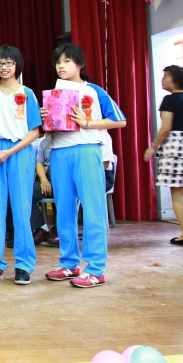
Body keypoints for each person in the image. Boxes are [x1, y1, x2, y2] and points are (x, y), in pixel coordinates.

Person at [42, 43, 126, 288]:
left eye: (67, 61)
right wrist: (46, 119)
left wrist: (87, 123)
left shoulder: (94, 91)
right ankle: (69, 263)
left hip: (87, 150)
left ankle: (96, 269)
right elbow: (48, 130)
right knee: (64, 211)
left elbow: (119, 121)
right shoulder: (53, 93)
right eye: (58, 62)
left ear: (79, 64)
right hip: (59, 152)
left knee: (92, 210)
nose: (61, 66)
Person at [0, 45, 41, 286]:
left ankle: (24, 265)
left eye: (9, 63)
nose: (4, 67)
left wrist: (11, 151)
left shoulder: (27, 94)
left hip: (20, 151)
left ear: (17, 65)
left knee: (21, 209)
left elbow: (35, 131)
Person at [144, 65, 183, 246]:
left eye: (166, 76)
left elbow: (166, 127)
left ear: (176, 80)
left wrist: (153, 146)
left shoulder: (170, 100)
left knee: (177, 192)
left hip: (177, 147)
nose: (162, 79)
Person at [31, 133, 59, 246]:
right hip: (48, 178)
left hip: (63, 178)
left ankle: (59, 229)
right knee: (25, 192)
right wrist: (44, 180)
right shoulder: (44, 142)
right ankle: (42, 228)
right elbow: (39, 164)